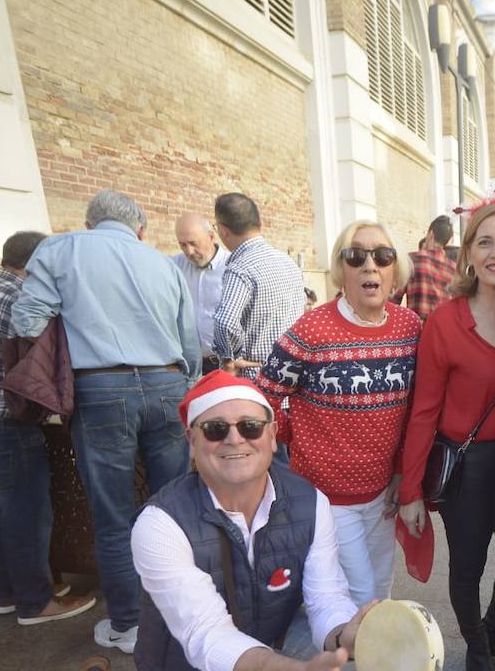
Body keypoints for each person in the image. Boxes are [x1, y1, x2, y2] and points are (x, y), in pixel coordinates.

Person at [78, 372, 398, 671]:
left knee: (351, 649)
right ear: (191, 442)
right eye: (215, 429)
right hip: (185, 664)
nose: (235, 439)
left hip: (273, 631)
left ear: (271, 435)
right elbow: (208, 641)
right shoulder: (159, 524)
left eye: (250, 426)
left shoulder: (310, 502)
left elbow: (326, 599)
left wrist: (347, 633)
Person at [12, 189, 200, 654]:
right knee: (173, 510)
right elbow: (189, 341)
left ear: (91, 222)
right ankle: (183, 614)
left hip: (100, 390)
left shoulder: (61, 249)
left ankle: (130, 625)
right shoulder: (164, 264)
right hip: (167, 384)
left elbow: (26, 320)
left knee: (113, 519)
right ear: (140, 229)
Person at [396, 196, 495, 671]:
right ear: (469, 256)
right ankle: (475, 650)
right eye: (485, 242)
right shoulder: (446, 323)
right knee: (468, 564)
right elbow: (423, 412)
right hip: (467, 465)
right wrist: (410, 490)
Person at [255, 220, 421, 615]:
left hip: (383, 492)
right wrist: (299, 436)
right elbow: (262, 399)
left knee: (380, 587)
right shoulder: (312, 329)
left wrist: (402, 473)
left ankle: (367, 668)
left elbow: (415, 411)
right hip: (328, 498)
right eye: (355, 256)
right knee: (362, 596)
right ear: (340, 269)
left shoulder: (410, 327)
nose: (370, 265)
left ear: (395, 270)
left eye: (382, 256)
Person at [0, 230, 96, 625]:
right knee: (28, 516)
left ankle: (8, 592)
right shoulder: (23, 301)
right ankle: (36, 602)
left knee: (1, 512)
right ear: (38, 263)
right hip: (3, 426)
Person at [213, 192, 306, 379]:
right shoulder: (289, 263)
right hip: (292, 374)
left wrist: (229, 358)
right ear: (259, 224)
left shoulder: (240, 268)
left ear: (223, 230)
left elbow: (225, 322)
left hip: (256, 376)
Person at [170, 213, 228, 374]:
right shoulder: (174, 266)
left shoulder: (232, 267)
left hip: (226, 365)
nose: (189, 251)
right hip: (189, 365)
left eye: (193, 243)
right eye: (182, 245)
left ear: (211, 237)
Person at [394, 214, 457, 321]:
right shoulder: (454, 269)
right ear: (448, 240)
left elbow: (394, 298)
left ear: (430, 234)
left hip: (417, 331)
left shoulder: (412, 260)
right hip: (444, 331)